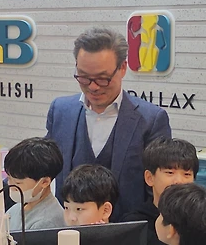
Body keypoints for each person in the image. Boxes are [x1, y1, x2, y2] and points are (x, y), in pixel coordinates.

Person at [46, 27, 171, 220]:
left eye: (103, 79)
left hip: (127, 232)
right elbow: (46, 172)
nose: (93, 86)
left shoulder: (151, 120)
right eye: (84, 77)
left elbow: (156, 194)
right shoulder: (61, 111)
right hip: (69, 230)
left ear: (123, 68)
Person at [124, 138, 199, 245]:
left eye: (186, 174)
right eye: (170, 172)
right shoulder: (135, 225)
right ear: (149, 178)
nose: (179, 181)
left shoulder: (202, 220)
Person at [5, 137, 65, 232]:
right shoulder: (19, 207)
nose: (11, 186)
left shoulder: (46, 223)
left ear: (44, 182)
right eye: (8, 178)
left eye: (18, 183)